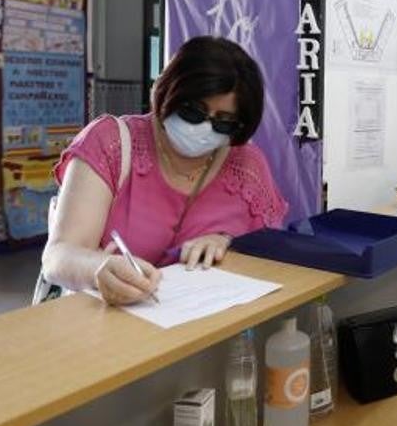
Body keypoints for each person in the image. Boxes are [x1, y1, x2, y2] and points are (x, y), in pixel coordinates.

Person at [41, 36, 287, 306]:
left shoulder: (247, 165)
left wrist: (227, 243)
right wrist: (97, 268)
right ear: (167, 92)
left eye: (224, 123)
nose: (205, 129)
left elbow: (272, 253)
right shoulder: (109, 144)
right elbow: (58, 256)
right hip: (113, 328)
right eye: (193, 112)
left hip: (211, 329)